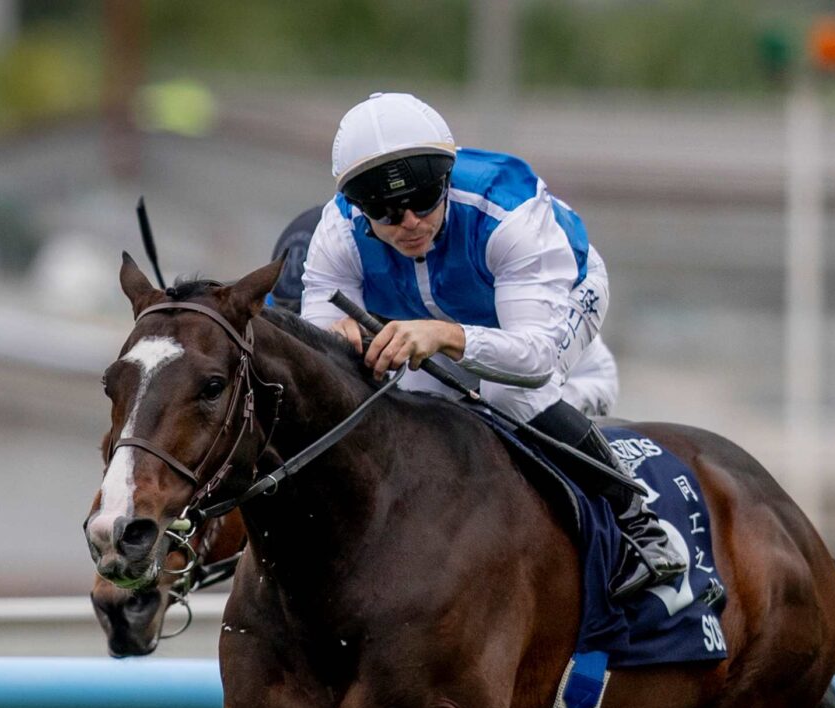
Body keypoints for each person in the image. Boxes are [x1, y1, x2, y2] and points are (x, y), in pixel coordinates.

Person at [295, 92, 683, 594]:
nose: (410, 222)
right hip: (445, 314)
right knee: (404, 401)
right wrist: (338, 340)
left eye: (424, 201)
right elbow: (318, 349)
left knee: (510, 395)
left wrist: (444, 334)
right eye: (387, 212)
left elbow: (533, 359)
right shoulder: (337, 232)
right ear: (357, 207)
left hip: (556, 301)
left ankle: (639, 522)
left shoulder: (508, 212)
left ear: (447, 182)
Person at [269, 204, 621, 418]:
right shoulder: (317, 277)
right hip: (462, 374)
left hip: (571, 376)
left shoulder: (425, 278)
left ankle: (630, 511)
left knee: (500, 405)